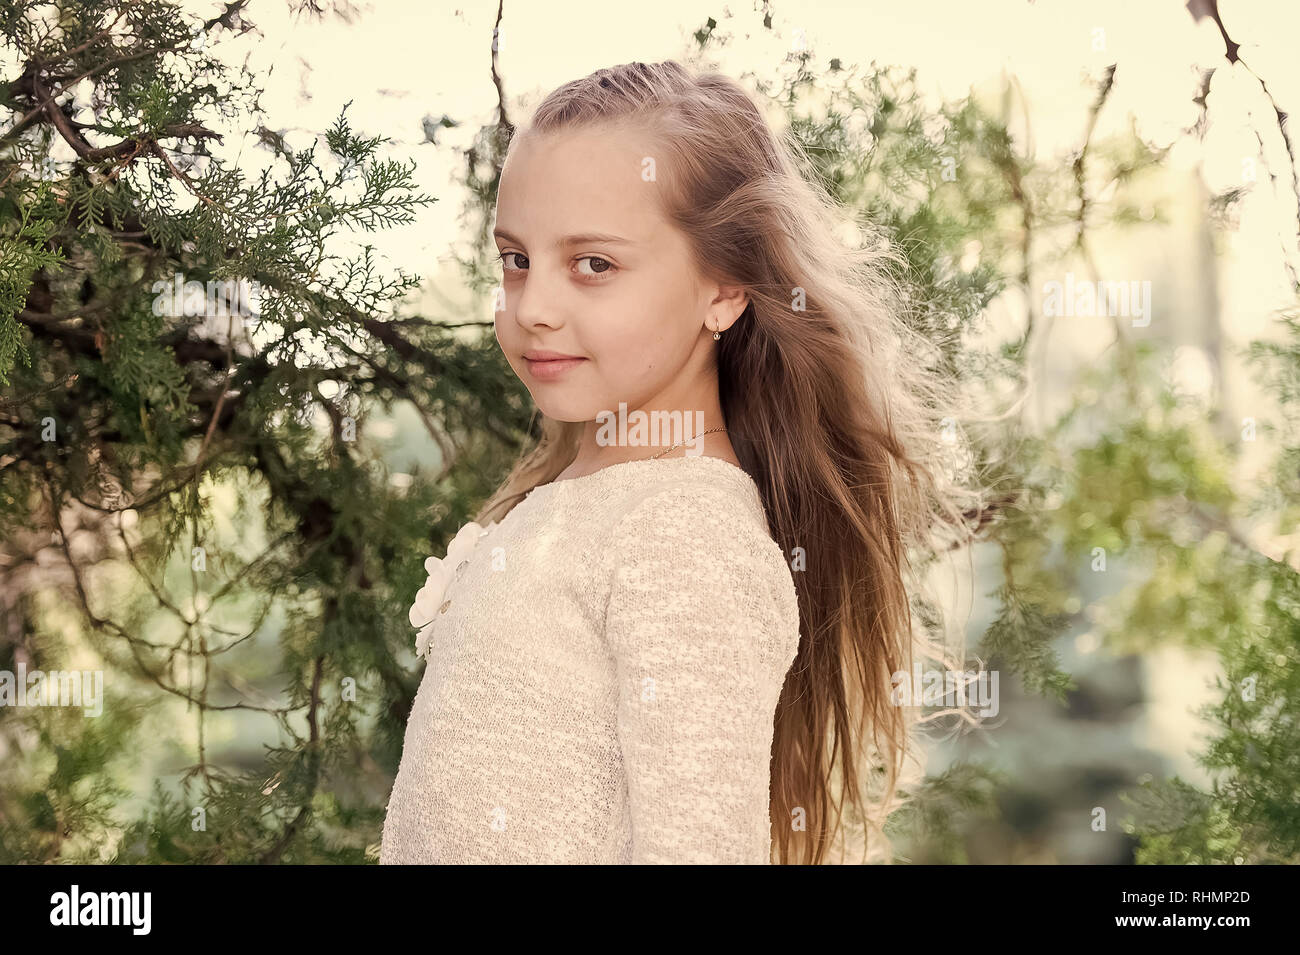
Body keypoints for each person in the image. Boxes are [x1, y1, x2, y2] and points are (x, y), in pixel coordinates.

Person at [380, 60, 972, 865]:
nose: (533, 307)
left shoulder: (686, 535)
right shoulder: (580, 499)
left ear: (724, 289)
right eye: (516, 258)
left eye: (594, 264)